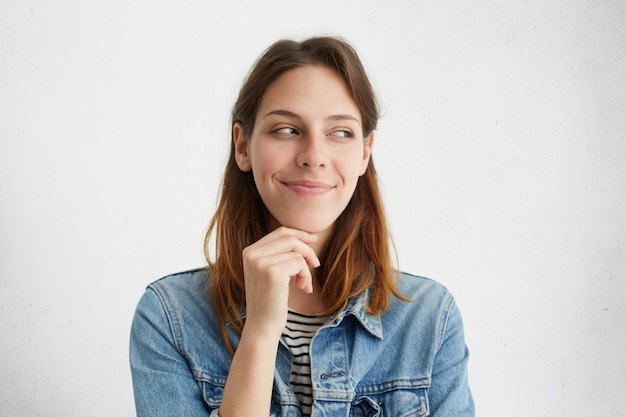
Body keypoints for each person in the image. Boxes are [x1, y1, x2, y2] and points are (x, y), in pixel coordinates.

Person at [130, 36, 474, 417]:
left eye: (340, 132)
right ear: (242, 146)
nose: (313, 156)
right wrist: (260, 333)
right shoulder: (170, 317)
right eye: (287, 130)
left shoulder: (429, 319)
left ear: (365, 151)